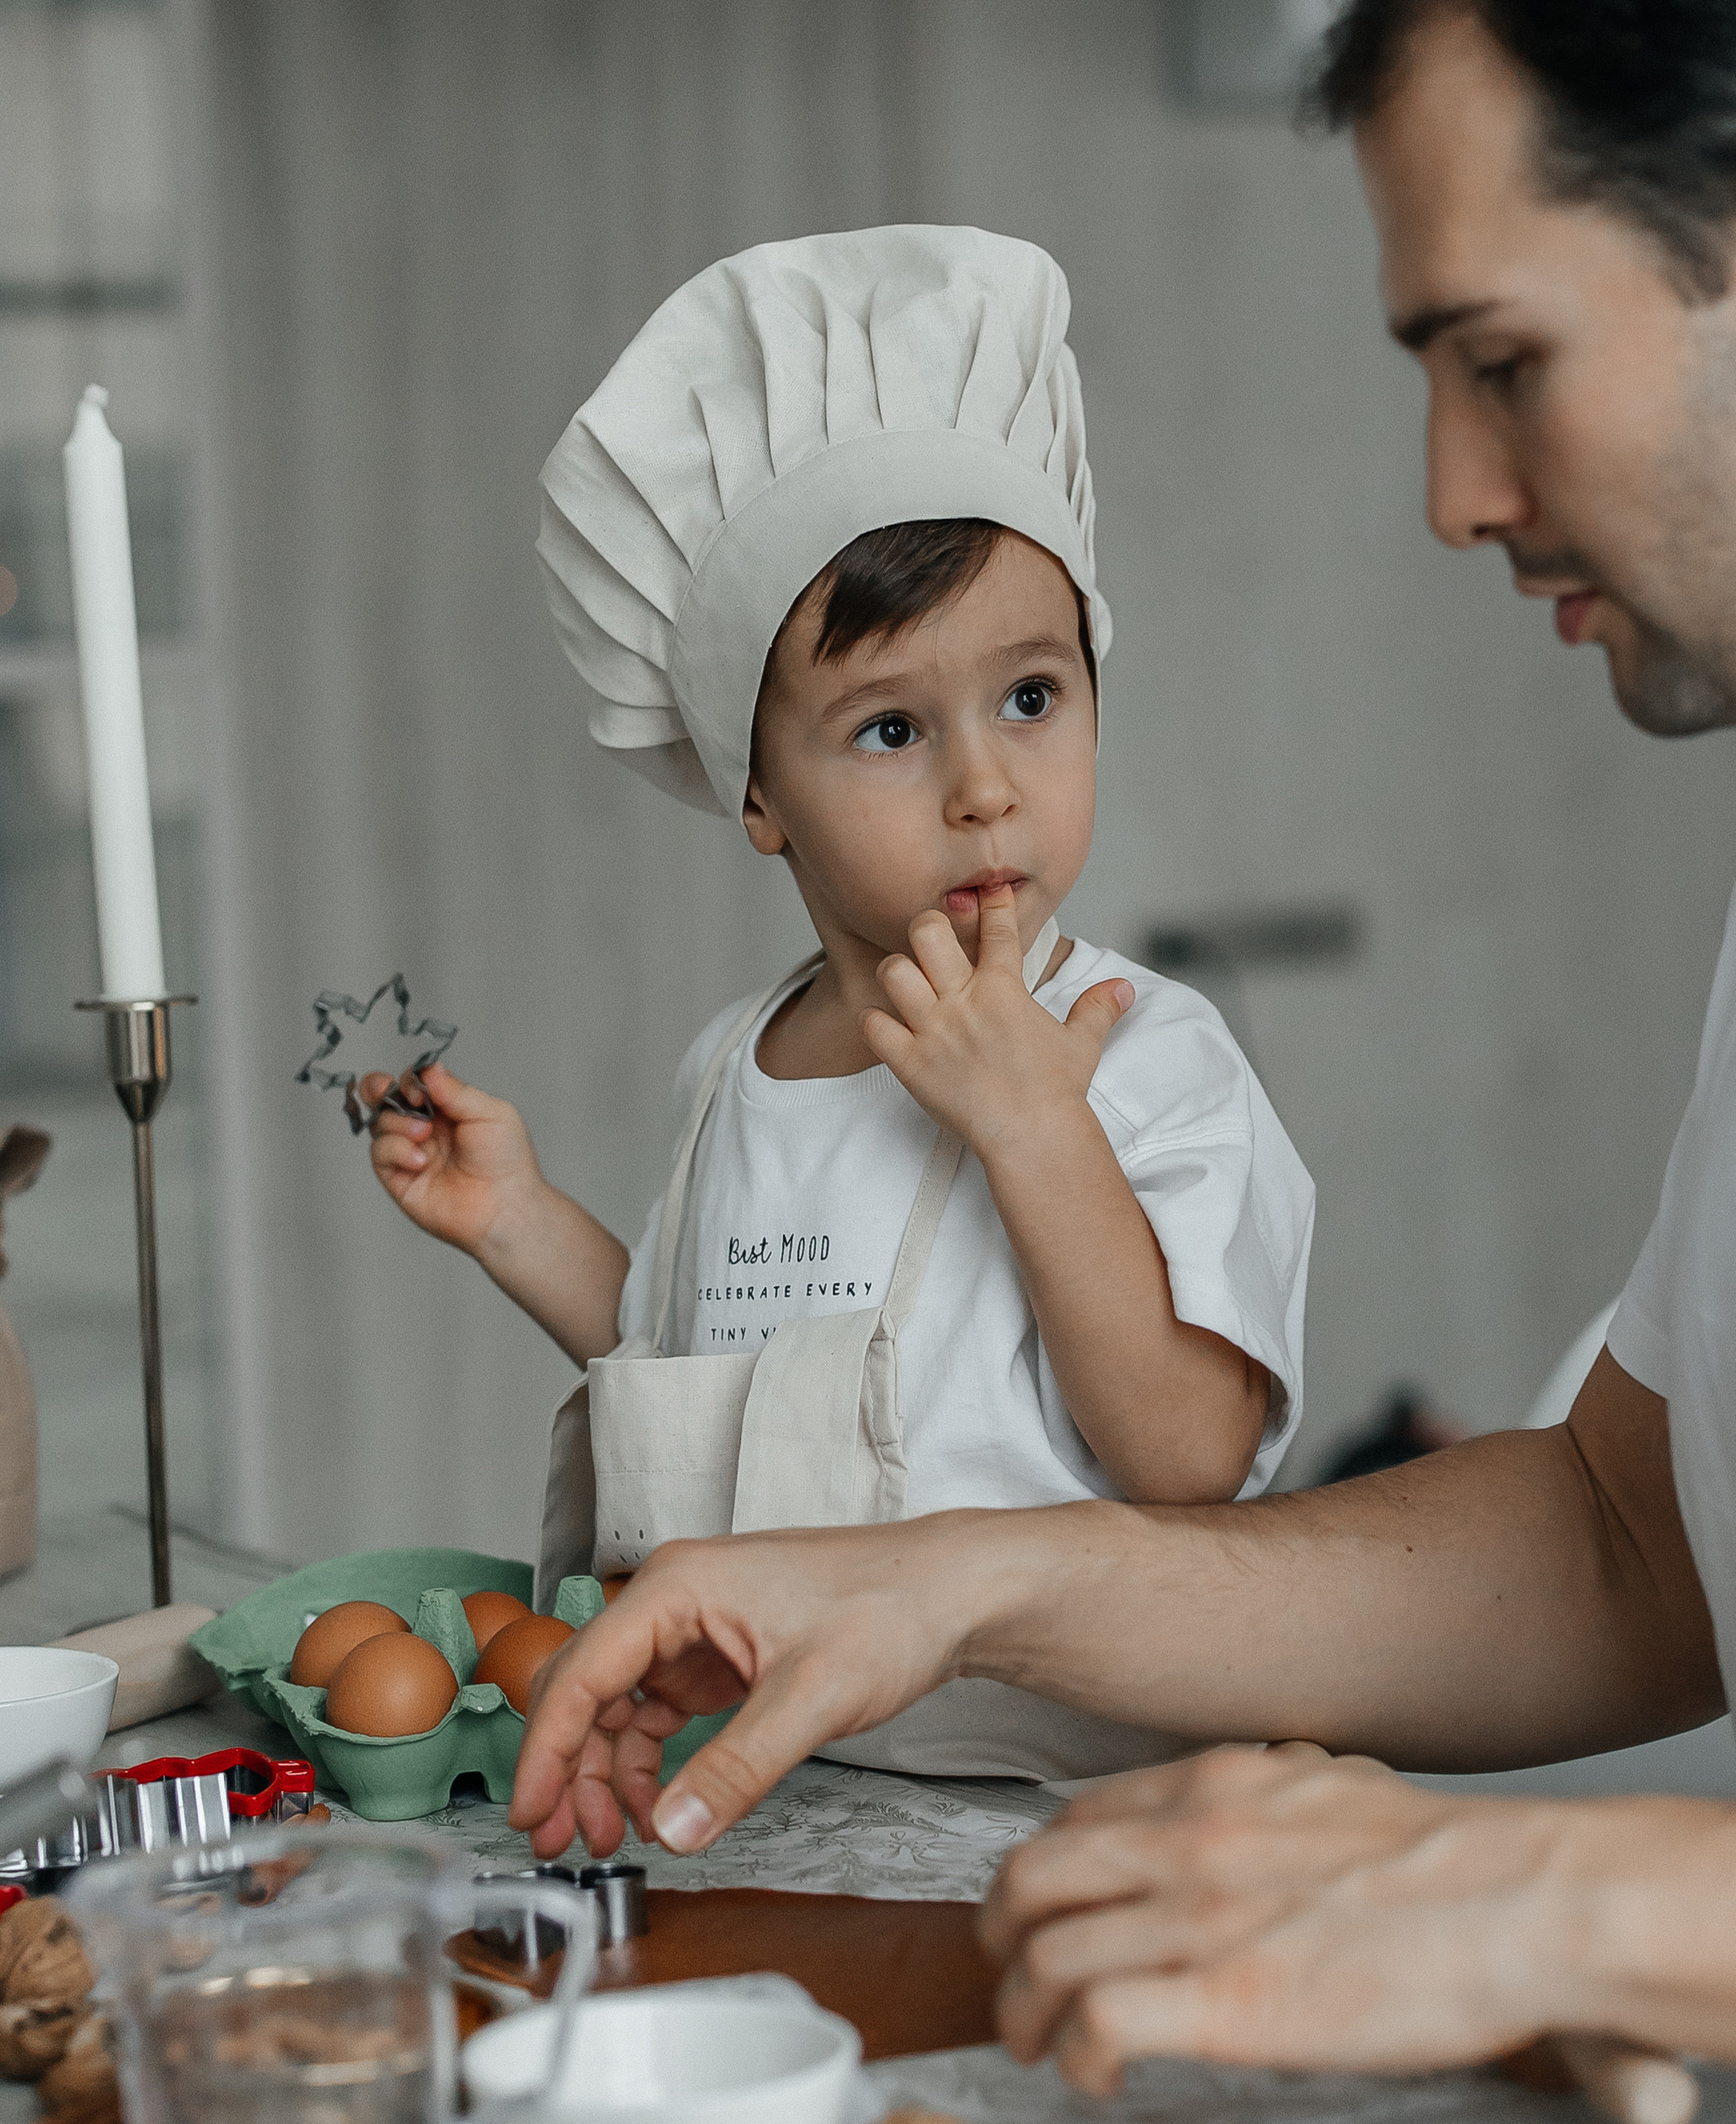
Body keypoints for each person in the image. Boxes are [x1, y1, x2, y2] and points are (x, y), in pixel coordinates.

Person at [508, 0, 1736, 2124]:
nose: (1453, 491)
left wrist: (1549, 1901)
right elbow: (1636, 1536)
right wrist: (973, 1583)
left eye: (1498, 359)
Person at [364, 226, 1311, 1779]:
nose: (985, 788)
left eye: (1031, 696)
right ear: (758, 796)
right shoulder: (737, 1066)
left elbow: (1194, 1459)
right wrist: (518, 1222)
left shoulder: (1143, 1055)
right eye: (887, 729)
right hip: (787, 1782)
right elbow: (704, 1364)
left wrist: (1034, 1129)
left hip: (1074, 1792)